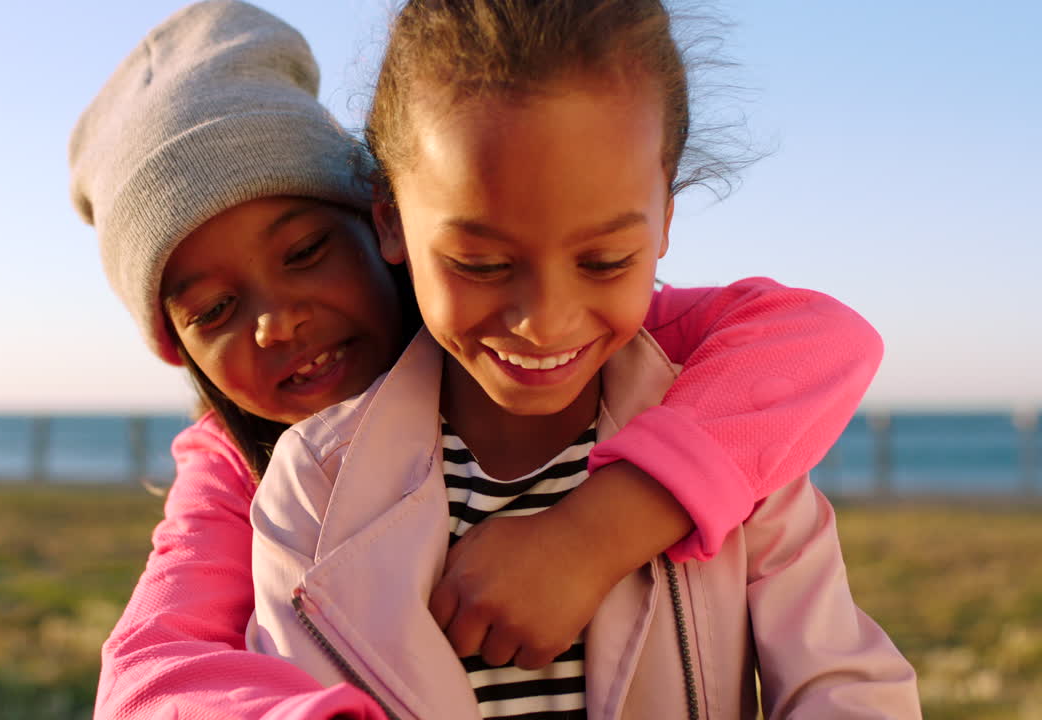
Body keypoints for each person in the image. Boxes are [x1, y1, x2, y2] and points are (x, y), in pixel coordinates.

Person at [66, 2, 898, 718]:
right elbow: (150, 671)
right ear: (398, 221)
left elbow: (816, 341)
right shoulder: (277, 482)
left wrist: (597, 532)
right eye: (213, 309)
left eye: (309, 249)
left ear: (371, 227)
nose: (278, 322)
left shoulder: (682, 388)